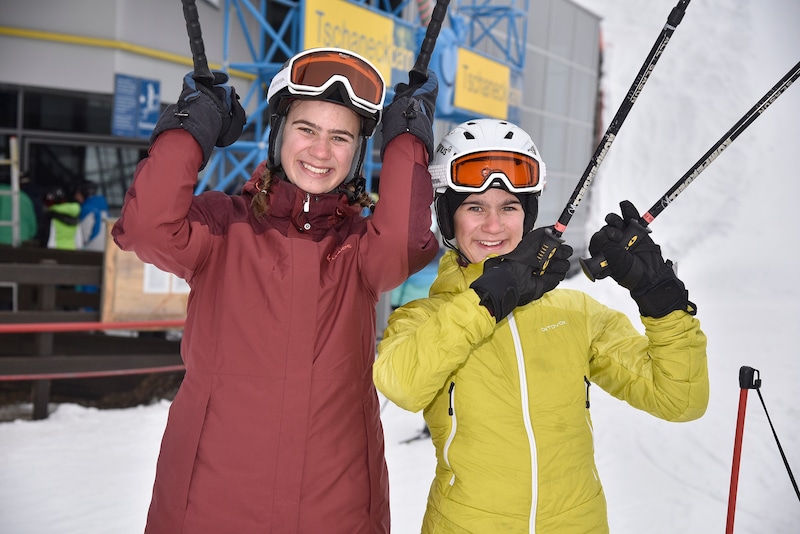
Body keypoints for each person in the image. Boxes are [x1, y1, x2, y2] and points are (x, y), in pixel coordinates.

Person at [111, 47, 439, 533]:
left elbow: (403, 242)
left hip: (337, 508)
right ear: (280, 133)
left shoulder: (359, 251)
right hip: (208, 505)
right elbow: (146, 227)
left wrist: (408, 138)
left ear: (358, 153)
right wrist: (191, 125)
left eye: (341, 137)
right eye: (306, 129)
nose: (321, 151)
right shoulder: (223, 227)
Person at [373, 118, 709, 533]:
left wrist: (661, 298)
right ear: (448, 218)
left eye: (509, 207)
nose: (493, 226)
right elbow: (401, 383)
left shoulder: (576, 313)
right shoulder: (424, 319)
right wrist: (488, 299)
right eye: (475, 207)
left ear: (527, 215)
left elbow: (680, 399)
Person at [44, 185, 83, 250]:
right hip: (72, 252)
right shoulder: (75, 215)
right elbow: (79, 241)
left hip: (56, 252)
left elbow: (50, 239)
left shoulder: (52, 217)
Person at [74, 180, 109, 251]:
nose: (76, 196)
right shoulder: (104, 209)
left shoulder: (86, 209)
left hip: (91, 252)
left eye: (77, 193)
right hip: (106, 251)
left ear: (83, 193)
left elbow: (83, 237)